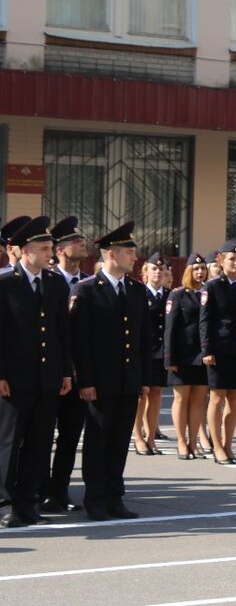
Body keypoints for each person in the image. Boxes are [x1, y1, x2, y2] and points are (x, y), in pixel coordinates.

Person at [70, 222, 155, 520]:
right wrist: (86, 381)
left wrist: (144, 379)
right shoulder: (87, 290)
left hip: (128, 380)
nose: (135, 257)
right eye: (129, 252)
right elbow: (80, 342)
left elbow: (144, 339)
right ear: (110, 254)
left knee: (119, 442)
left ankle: (115, 498)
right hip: (100, 382)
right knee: (97, 442)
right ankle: (94, 500)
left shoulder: (136, 290)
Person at [0, 217, 72, 527]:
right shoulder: (5, 284)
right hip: (14, 379)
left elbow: (61, 331)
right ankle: (6, 504)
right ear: (25, 251)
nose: (50, 254)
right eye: (44, 249)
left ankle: (28, 503)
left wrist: (66, 372)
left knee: (40, 442)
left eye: (51, 248)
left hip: (48, 377)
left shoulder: (55, 282)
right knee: (9, 443)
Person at [40, 216, 90, 513]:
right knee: (41, 436)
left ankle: (60, 491)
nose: (81, 244)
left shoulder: (87, 284)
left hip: (80, 375)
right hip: (52, 373)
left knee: (71, 437)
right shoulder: (48, 281)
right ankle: (38, 490)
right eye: (74, 241)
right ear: (59, 249)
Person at [199, 241, 236, 465]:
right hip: (219, 350)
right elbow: (205, 320)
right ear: (221, 260)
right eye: (231, 259)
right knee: (217, 398)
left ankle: (228, 445)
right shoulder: (212, 286)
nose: (235, 262)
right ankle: (218, 447)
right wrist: (207, 349)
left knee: (234, 399)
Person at [165, 253, 210, 459]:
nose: (200, 272)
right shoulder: (178, 294)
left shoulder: (208, 293)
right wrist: (170, 358)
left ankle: (194, 441)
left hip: (203, 355)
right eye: (196, 269)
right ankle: (182, 442)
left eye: (203, 269)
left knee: (198, 401)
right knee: (181, 399)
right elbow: (171, 329)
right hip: (182, 355)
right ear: (188, 271)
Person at [134, 253, 169, 456]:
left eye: (161, 269)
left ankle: (150, 437)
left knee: (157, 394)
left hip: (161, 352)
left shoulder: (169, 294)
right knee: (142, 396)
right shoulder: (139, 293)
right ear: (145, 272)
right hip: (142, 352)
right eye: (154, 269)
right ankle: (138, 436)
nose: (158, 272)